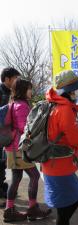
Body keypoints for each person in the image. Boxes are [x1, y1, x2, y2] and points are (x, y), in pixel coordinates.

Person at [42, 70, 78, 225]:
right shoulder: (64, 109)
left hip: (49, 161)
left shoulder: (51, 104)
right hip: (60, 164)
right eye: (74, 89)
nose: (76, 92)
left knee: (64, 204)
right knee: (76, 198)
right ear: (67, 91)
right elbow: (74, 137)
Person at [3, 78, 51, 222]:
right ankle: (32, 209)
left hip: (12, 147)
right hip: (19, 148)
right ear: (23, 90)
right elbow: (25, 127)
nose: (31, 91)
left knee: (16, 178)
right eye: (29, 88)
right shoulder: (22, 106)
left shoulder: (13, 103)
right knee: (35, 176)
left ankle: (9, 210)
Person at [0, 68, 20, 202]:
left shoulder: (11, 92)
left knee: (2, 164)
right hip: (2, 134)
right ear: (7, 79)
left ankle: (2, 189)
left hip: (7, 136)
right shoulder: (1, 93)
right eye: (15, 79)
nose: (17, 81)